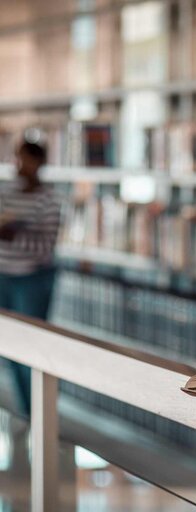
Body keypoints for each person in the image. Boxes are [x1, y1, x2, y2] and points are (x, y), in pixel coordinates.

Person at [0, 140, 62, 417]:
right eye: (18, 159)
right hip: (4, 276)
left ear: (39, 163)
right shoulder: (6, 191)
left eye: (26, 160)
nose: (20, 165)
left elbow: (45, 247)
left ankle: (39, 413)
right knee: (10, 346)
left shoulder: (48, 199)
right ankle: (24, 412)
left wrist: (12, 235)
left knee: (33, 347)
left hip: (32, 281)